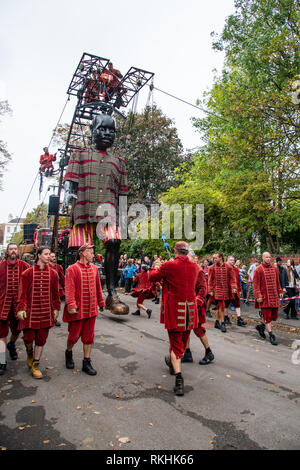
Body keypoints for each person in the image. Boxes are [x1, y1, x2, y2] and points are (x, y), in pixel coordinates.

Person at [63, 113, 129, 315]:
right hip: (83, 210)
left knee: (114, 242)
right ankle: (79, 294)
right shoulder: (79, 156)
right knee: (83, 251)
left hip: (108, 213)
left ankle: (111, 293)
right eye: (102, 129)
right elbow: (70, 182)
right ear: (92, 131)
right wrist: (68, 195)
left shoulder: (119, 162)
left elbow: (123, 194)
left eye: (112, 130)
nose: (108, 134)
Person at [149, 241, 202, 396]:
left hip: (175, 311)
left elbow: (153, 277)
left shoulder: (169, 265)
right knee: (182, 342)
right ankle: (173, 364)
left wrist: (157, 265)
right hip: (190, 311)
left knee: (175, 344)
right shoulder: (195, 267)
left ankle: (179, 379)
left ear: (175, 251)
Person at [16, 247, 60, 379]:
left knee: (41, 340)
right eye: (46, 254)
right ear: (39, 256)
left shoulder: (54, 274)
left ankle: (35, 364)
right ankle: (29, 353)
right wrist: (21, 308)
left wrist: (56, 308)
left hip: (46, 312)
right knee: (29, 338)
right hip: (30, 313)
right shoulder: (27, 273)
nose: (49, 256)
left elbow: (56, 294)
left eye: (49, 254)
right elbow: (22, 293)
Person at [63, 244, 105, 375]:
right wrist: (71, 305)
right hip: (77, 310)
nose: (93, 255)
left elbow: (98, 287)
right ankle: (68, 352)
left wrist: (101, 301)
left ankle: (87, 362)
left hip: (91, 309)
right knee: (73, 337)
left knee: (89, 337)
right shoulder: (72, 269)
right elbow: (69, 289)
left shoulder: (94, 269)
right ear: (83, 253)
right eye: (91, 252)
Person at [0, 243, 30, 375]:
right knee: (1, 333)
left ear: (18, 252)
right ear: (7, 252)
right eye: (11, 249)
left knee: (17, 330)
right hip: (2, 305)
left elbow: (31, 285)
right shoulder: (0, 266)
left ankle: (12, 344)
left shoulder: (25, 266)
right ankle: (2, 361)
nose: (13, 251)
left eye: (15, 249)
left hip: (18, 306)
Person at [182, 251, 214, 365]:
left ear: (194, 258)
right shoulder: (186, 269)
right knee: (186, 328)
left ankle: (209, 352)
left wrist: (197, 302)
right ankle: (187, 353)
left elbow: (203, 289)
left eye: (188, 257)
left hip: (197, 305)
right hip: (187, 303)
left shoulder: (198, 270)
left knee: (198, 329)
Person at [253, 252, 283, 346]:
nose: (268, 259)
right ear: (263, 258)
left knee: (273, 316)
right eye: (266, 257)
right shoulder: (258, 270)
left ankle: (261, 326)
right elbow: (255, 285)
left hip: (274, 297)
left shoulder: (275, 269)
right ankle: (271, 335)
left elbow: (277, 281)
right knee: (267, 317)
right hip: (264, 298)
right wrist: (258, 296)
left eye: (270, 257)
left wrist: (280, 290)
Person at [208, 252, 237, 333]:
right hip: (217, 289)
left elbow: (232, 278)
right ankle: (223, 323)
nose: (214, 259)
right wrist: (210, 290)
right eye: (214, 258)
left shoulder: (228, 267)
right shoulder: (212, 268)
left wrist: (234, 287)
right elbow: (210, 280)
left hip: (226, 289)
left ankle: (217, 322)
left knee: (219, 306)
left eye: (216, 258)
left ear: (221, 258)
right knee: (221, 306)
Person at [225, 256, 247, 327]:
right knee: (226, 305)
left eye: (233, 260)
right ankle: (226, 318)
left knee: (237, 304)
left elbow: (238, 281)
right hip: (227, 290)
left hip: (235, 290)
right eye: (231, 260)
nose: (232, 261)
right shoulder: (225, 269)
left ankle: (239, 319)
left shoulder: (236, 270)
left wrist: (239, 289)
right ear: (227, 260)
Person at [49, 252, 65, 327]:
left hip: (57, 288)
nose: (54, 258)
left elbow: (62, 278)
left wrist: (65, 287)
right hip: (48, 288)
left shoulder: (58, 267)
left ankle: (54, 319)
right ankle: (49, 319)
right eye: (52, 256)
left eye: (54, 256)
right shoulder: (45, 266)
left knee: (56, 304)